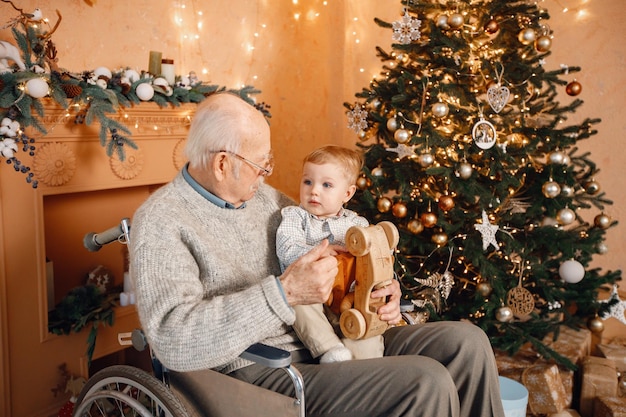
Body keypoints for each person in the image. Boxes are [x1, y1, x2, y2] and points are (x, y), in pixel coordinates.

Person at [129, 92, 505, 417]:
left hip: (332, 332)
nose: (267, 176)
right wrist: (283, 293)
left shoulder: (265, 198)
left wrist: (382, 288)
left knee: (466, 344)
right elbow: (172, 340)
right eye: (262, 165)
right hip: (260, 370)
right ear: (222, 163)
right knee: (426, 382)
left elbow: (336, 251)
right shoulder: (162, 221)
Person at [276, 145, 384, 363]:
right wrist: (321, 252)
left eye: (326, 185)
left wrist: (381, 285)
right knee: (295, 301)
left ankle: (367, 364)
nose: (314, 190)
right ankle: (329, 350)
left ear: (347, 193)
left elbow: (377, 258)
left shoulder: (357, 224)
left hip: (350, 297)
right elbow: (286, 249)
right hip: (312, 293)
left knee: (364, 331)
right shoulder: (295, 218)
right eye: (308, 182)